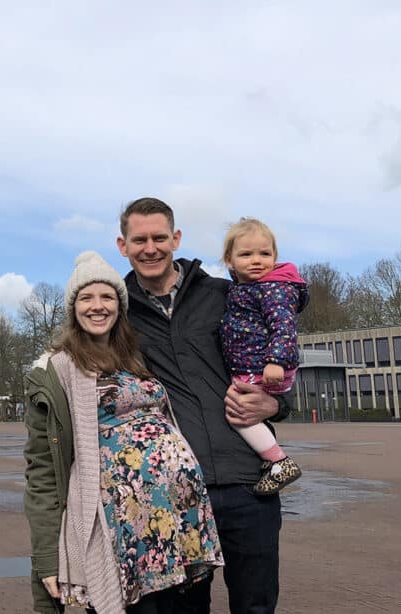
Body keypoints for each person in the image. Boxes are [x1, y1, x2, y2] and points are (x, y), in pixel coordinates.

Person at [116, 197, 291, 614]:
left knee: (255, 604)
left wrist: (276, 406)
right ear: (123, 245)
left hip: (246, 481)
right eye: (139, 239)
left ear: (176, 238)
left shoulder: (225, 295)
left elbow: (278, 356)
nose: (151, 247)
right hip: (175, 488)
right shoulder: (117, 310)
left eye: (160, 237)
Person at [24, 251, 223, 614]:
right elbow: (42, 472)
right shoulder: (55, 370)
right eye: (86, 298)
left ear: (119, 305)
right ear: (73, 308)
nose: (97, 306)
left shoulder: (137, 356)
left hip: (178, 521)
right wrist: (46, 558)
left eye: (107, 297)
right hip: (122, 532)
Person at [220, 218, 308, 495]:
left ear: (275, 256)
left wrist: (276, 361)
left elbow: (284, 327)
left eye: (265, 254)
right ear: (229, 261)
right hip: (255, 363)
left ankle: (278, 461)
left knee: (238, 413)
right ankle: (266, 458)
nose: (257, 261)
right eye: (246, 254)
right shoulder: (244, 289)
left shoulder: (274, 289)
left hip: (265, 366)